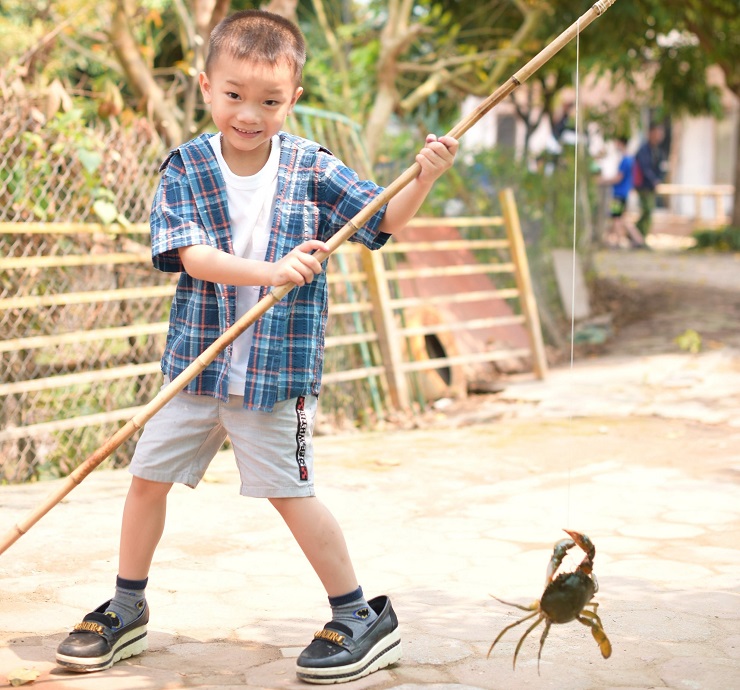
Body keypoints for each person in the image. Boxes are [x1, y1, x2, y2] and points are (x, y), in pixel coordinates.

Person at [54, 9, 458, 685]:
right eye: (235, 95)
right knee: (147, 478)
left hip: (277, 375)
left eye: (269, 100)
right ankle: (126, 605)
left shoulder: (310, 166)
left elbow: (381, 220)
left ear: (292, 99)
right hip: (197, 367)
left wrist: (425, 176)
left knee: (291, 491)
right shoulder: (186, 165)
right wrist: (272, 271)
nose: (250, 113)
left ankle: (358, 615)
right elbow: (191, 254)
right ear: (205, 85)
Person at [601, 136, 647, 249]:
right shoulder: (630, 159)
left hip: (618, 193)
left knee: (616, 218)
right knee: (622, 218)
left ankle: (617, 242)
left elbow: (618, 178)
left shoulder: (625, 160)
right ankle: (638, 240)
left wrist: (603, 180)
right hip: (625, 192)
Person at [634, 123, 666, 241]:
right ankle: (637, 235)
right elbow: (644, 168)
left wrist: (659, 180)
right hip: (643, 185)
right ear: (651, 133)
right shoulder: (643, 150)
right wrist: (653, 180)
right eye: (657, 133)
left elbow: (662, 168)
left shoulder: (658, 151)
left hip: (652, 186)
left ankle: (639, 236)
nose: (659, 136)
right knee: (647, 210)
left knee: (649, 211)